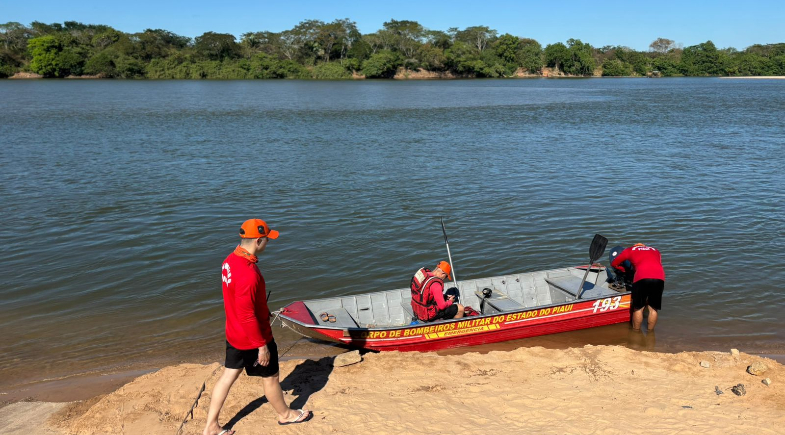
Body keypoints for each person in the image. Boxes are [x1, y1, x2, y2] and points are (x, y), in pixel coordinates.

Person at [204, 219, 312, 435]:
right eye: (267, 239)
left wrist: (263, 311)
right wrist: (261, 346)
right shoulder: (249, 274)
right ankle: (285, 415)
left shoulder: (229, 260)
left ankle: (211, 426)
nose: (268, 243)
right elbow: (247, 315)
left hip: (234, 333)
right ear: (258, 241)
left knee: (228, 376)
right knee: (270, 378)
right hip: (253, 337)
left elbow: (242, 302)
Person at [610, 243, 665, 332]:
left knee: (638, 308)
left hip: (641, 277)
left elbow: (614, 263)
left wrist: (623, 270)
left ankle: (636, 332)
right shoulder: (656, 251)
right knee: (653, 308)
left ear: (635, 246)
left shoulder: (630, 250)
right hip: (659, 277)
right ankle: (650, 333)